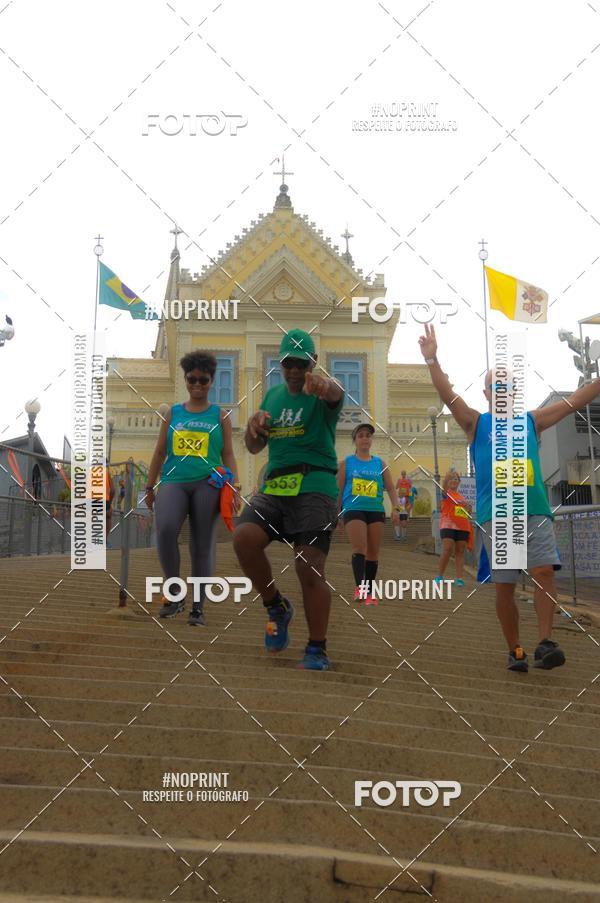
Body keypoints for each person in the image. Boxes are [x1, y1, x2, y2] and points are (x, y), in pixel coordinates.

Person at [419, 322, 600, 672]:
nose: (502, 390)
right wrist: (432, 361)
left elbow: (575, 401)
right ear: (487, 393)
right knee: (505, 585)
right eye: (495, 386)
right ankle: (514, 648)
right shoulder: (477, 423)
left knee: (544, 571)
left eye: (507, 385)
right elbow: (448, 396)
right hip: (497, 516)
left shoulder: (532, 421)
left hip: (534, 509)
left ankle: (545, 642)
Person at [233, 328, 344, 671]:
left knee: (307, 563)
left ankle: (316, 648)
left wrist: (326, 386)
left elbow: (337, 394)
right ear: (280, 365)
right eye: (288, 364)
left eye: (301, 363)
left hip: (316, 484)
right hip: (276, 487)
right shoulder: (272, 398)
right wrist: (252, 427)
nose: (295, 370)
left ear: (312, 362)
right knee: (243, 537)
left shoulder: (321, 392)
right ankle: (276, 606)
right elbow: (253, 448)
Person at [145, 351, 240, 626]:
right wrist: (149, 486)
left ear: (211, 381)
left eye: (203, 379)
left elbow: (229, 454)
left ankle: (198, 606)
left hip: (208, 483)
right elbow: (160, 450)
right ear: (186, 380)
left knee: (201, 544)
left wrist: (232, 486)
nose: (197, 384)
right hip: (174, 481)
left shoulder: (220, 415)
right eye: (191, 379)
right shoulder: (173, 413)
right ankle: (175, 594)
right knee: (164, 530)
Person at [337, 423, 400, 604]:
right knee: (360, 548)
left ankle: (370, 592)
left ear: (371, 440)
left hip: (376, 510)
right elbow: (339, 491)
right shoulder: (346, 463)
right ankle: (360, 589)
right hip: (353, 509)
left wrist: (396, 508)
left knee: (373, 552)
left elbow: (391, 489)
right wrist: (337, 514)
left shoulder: (380, 463)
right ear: (355, 441)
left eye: (368, 435)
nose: (365, 438)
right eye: (361, 435)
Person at [435, 470, 473, 587]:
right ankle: (440, 576)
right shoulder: (446, 493)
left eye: (456, 479)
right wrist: (447, 477)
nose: (454, 480)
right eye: (452, 478)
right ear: (447, 481)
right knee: (448, 548)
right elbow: (444, 488)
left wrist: (468, 508)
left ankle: (459, 578)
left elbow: (466, 513)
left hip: (462, 526)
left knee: (460, 551)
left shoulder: (462, 497)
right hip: (448, 524)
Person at [394, 471, 412, 540]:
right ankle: (398, 535)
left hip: (406, 497)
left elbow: (410, 488)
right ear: (401, 474)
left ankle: (407, 518)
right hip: (399, 505)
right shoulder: (399, 480)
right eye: (402, 474)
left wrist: (410, 496)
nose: (403, 475)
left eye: (404, 474)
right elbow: (396, 487)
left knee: (406, 507)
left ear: (405, 474)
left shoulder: (408, 480)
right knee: (397, 522)